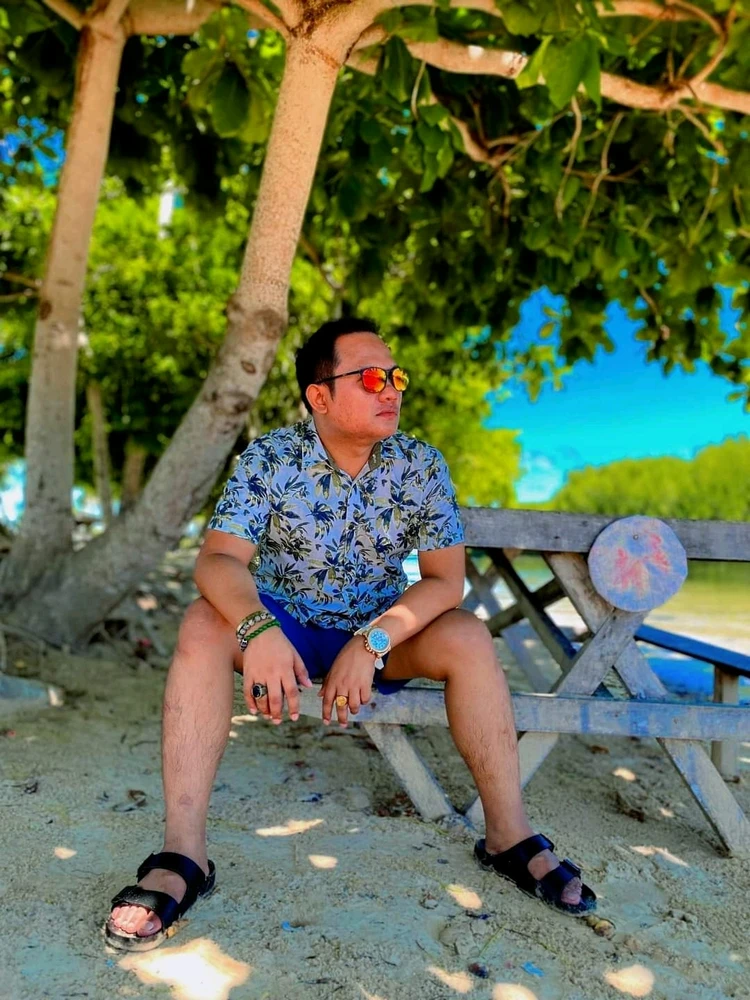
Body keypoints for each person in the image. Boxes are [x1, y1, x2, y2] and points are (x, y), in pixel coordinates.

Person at [105, 318, 596, 952]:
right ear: (319, 396)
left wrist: (373, 642)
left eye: (395, 376)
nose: (389, 388)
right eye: (369, 378)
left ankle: (507, 834)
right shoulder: (272, 458)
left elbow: (446, 582)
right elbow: (217, 562)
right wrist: (257, 628)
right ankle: (183, 855)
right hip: (284, 626)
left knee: (469, 637)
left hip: (378, 635)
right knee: (203, 621)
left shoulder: (420, 465)